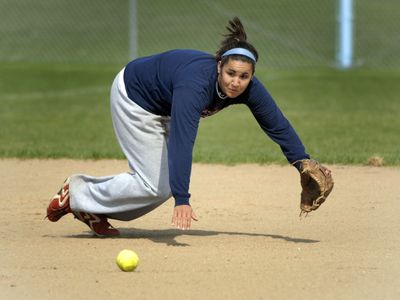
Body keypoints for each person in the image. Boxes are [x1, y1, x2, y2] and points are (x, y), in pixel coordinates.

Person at [46, 17, 313, 237]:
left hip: (164, 106)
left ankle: (89, 207)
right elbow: (182, 142)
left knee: (160, 185)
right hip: (136, 98)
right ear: (219, 66)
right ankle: (79, 193)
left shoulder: (249, 89)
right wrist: (182, 198)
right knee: (157, 186)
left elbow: (277, 124)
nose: (236, 82)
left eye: (244, 76)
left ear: (252, 76)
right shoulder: (195, 86)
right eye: (231, 73)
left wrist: (302, 162)